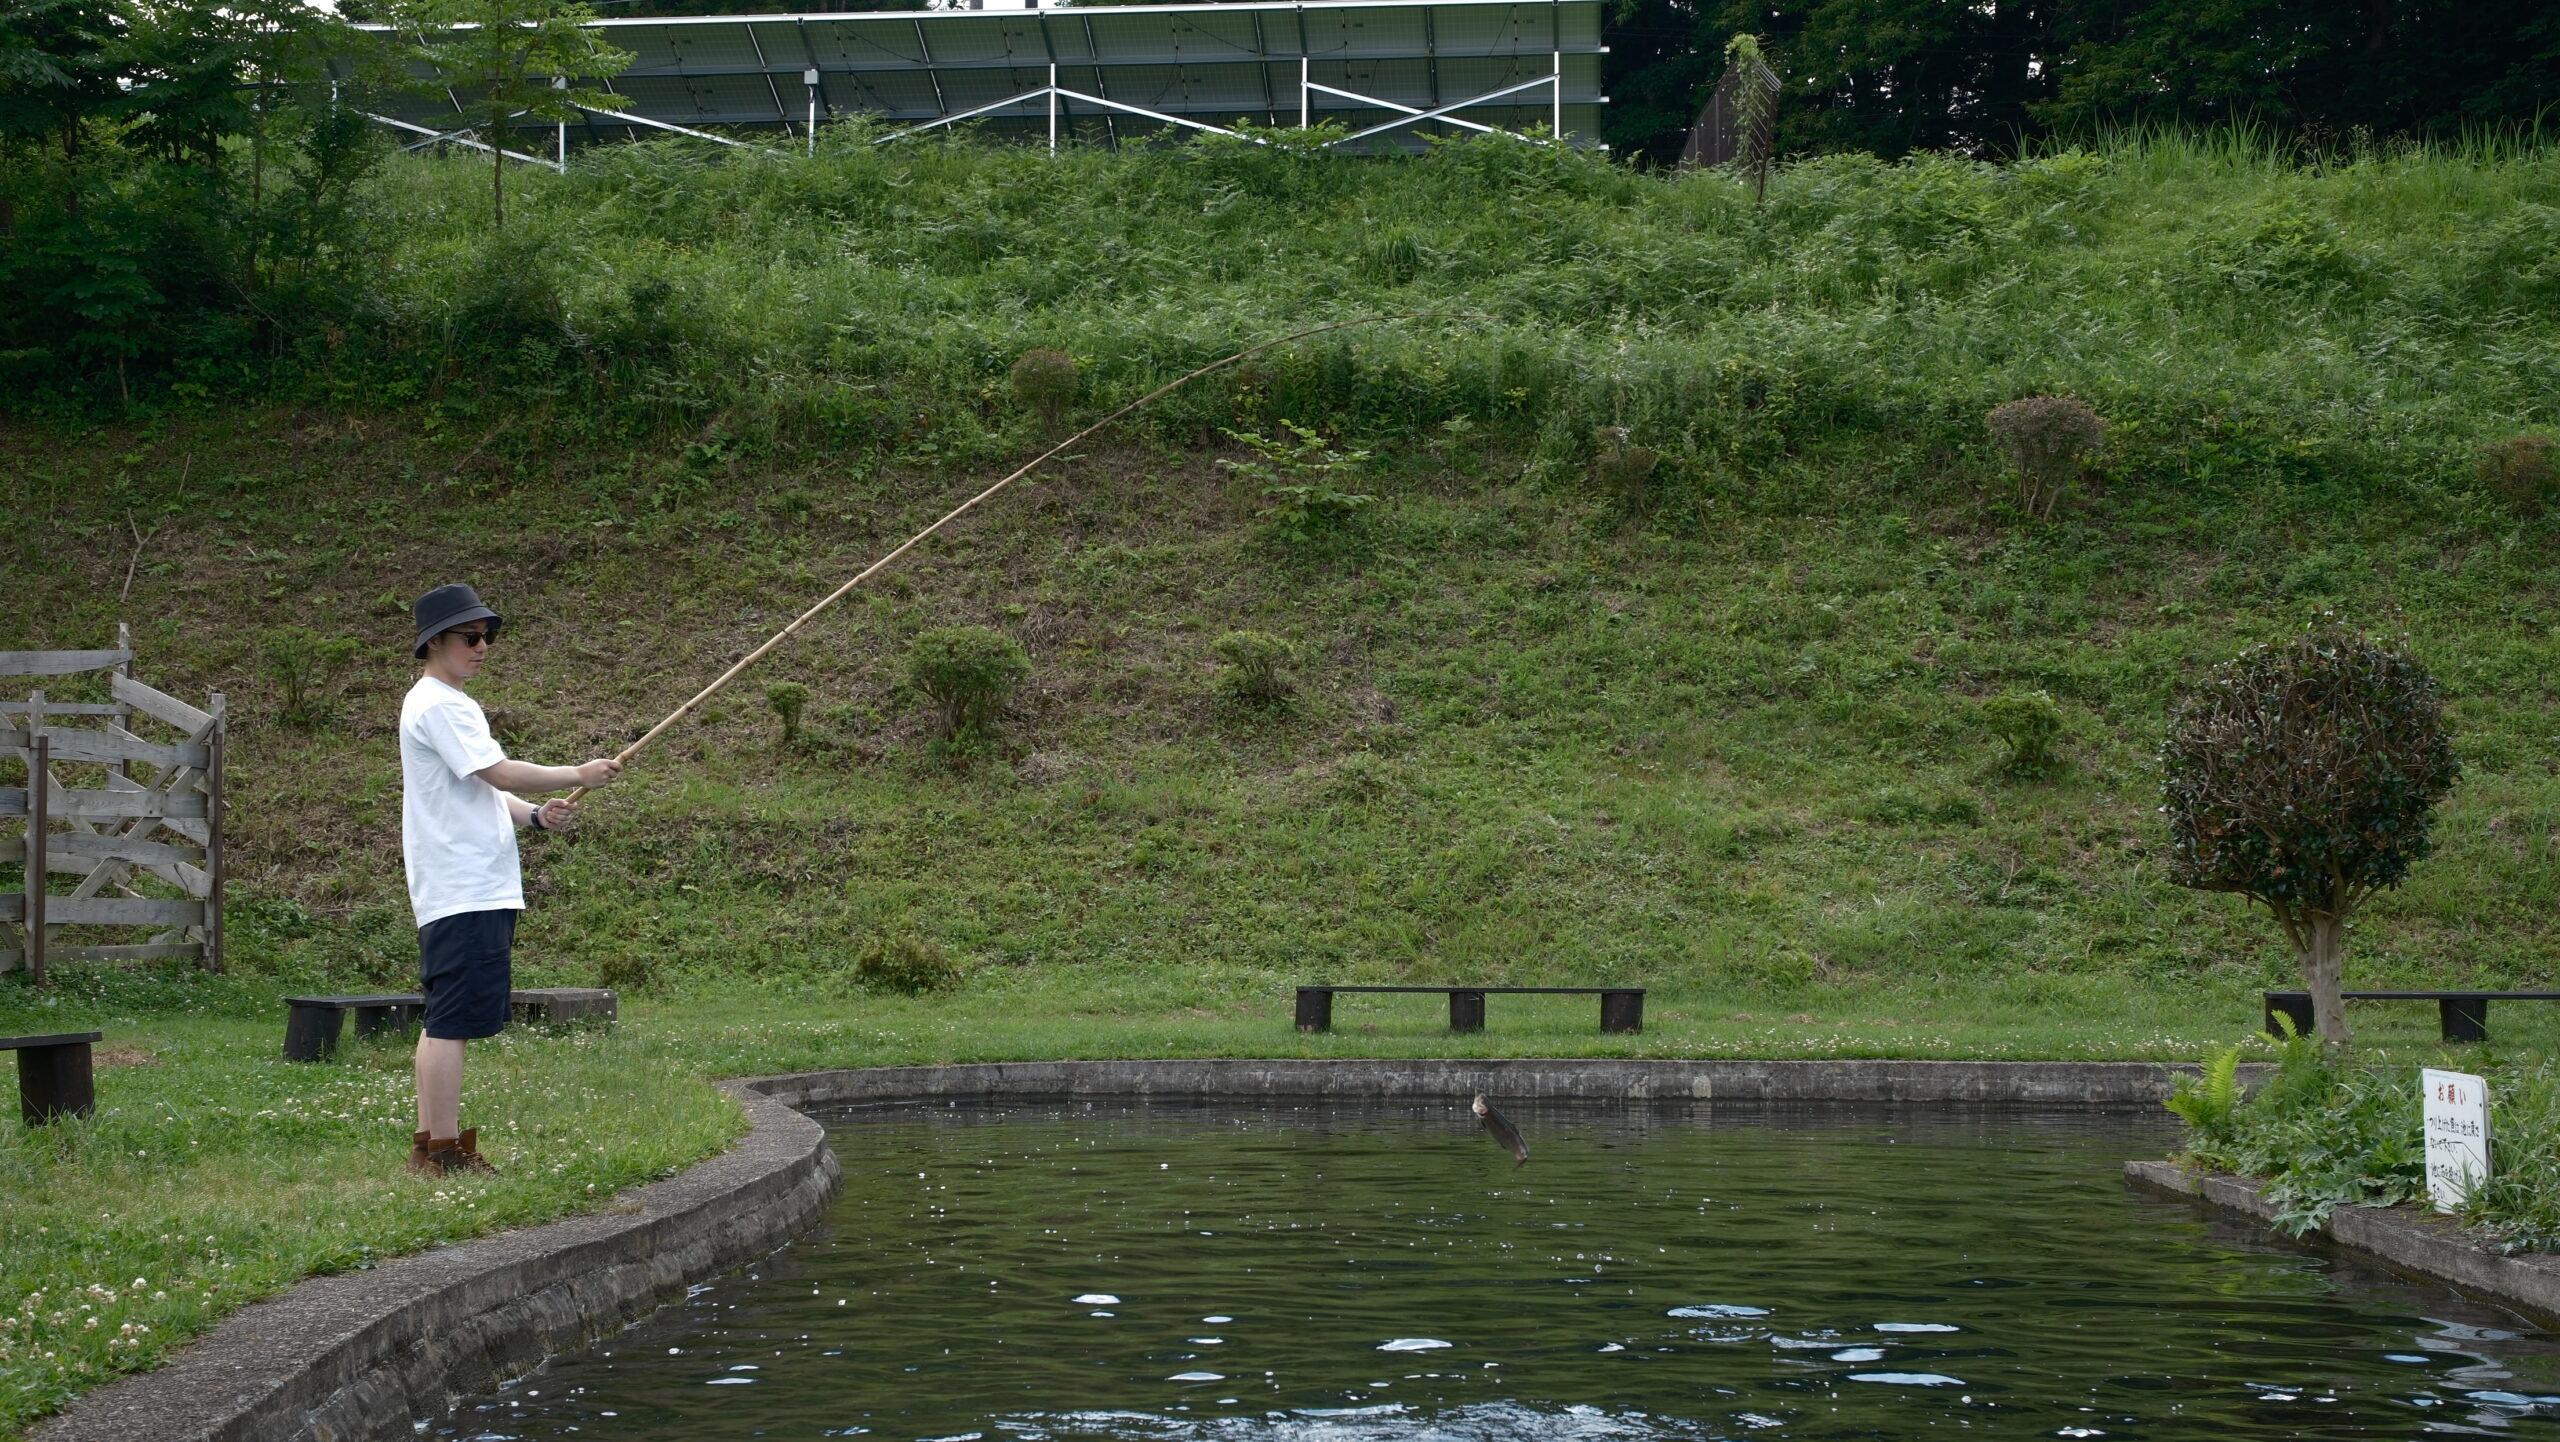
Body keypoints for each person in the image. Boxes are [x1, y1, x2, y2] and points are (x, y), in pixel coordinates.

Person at [401, 583, 622, 1177]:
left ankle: (429, 1147)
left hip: (460, 885)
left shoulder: (438, 704)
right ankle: (446, 1154)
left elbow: (483, 789)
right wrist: (577, 773)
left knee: (441, 1016)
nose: (483, 646)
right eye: (471, 637)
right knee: (452, 1021)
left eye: (487, 636)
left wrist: (534, 816)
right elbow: (497, 770)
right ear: (436, 641)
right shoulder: (441, 704)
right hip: (465, 885)